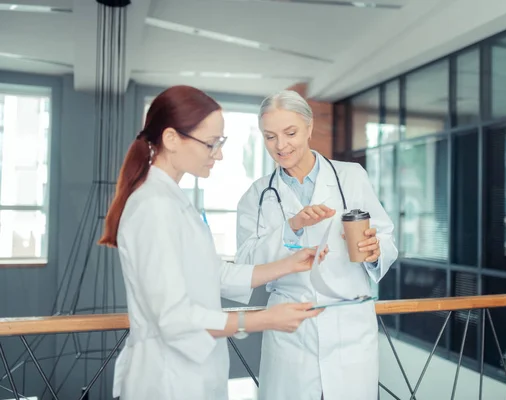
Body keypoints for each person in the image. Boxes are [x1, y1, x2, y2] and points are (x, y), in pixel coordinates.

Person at [98, 85, 325, 400]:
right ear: (172, 139)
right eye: (211, 144)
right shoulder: (152, 206)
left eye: (221, 142)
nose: (218, 154)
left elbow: (211, 274)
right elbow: (172, 317)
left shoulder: (173, 199)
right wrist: (264, 319)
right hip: (166, 380)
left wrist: (285, 265)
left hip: (195, 374)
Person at [235, 90, 398, 400]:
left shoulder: (351, 176)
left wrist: (375, 251)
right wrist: (291, 227)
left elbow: (385, 235)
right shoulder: (257, 196)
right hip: (291, 332)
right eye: (270, 137)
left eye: (290, 133)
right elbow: (245, 263)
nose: (281, 145)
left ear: (309, 128)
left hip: (350, 327)